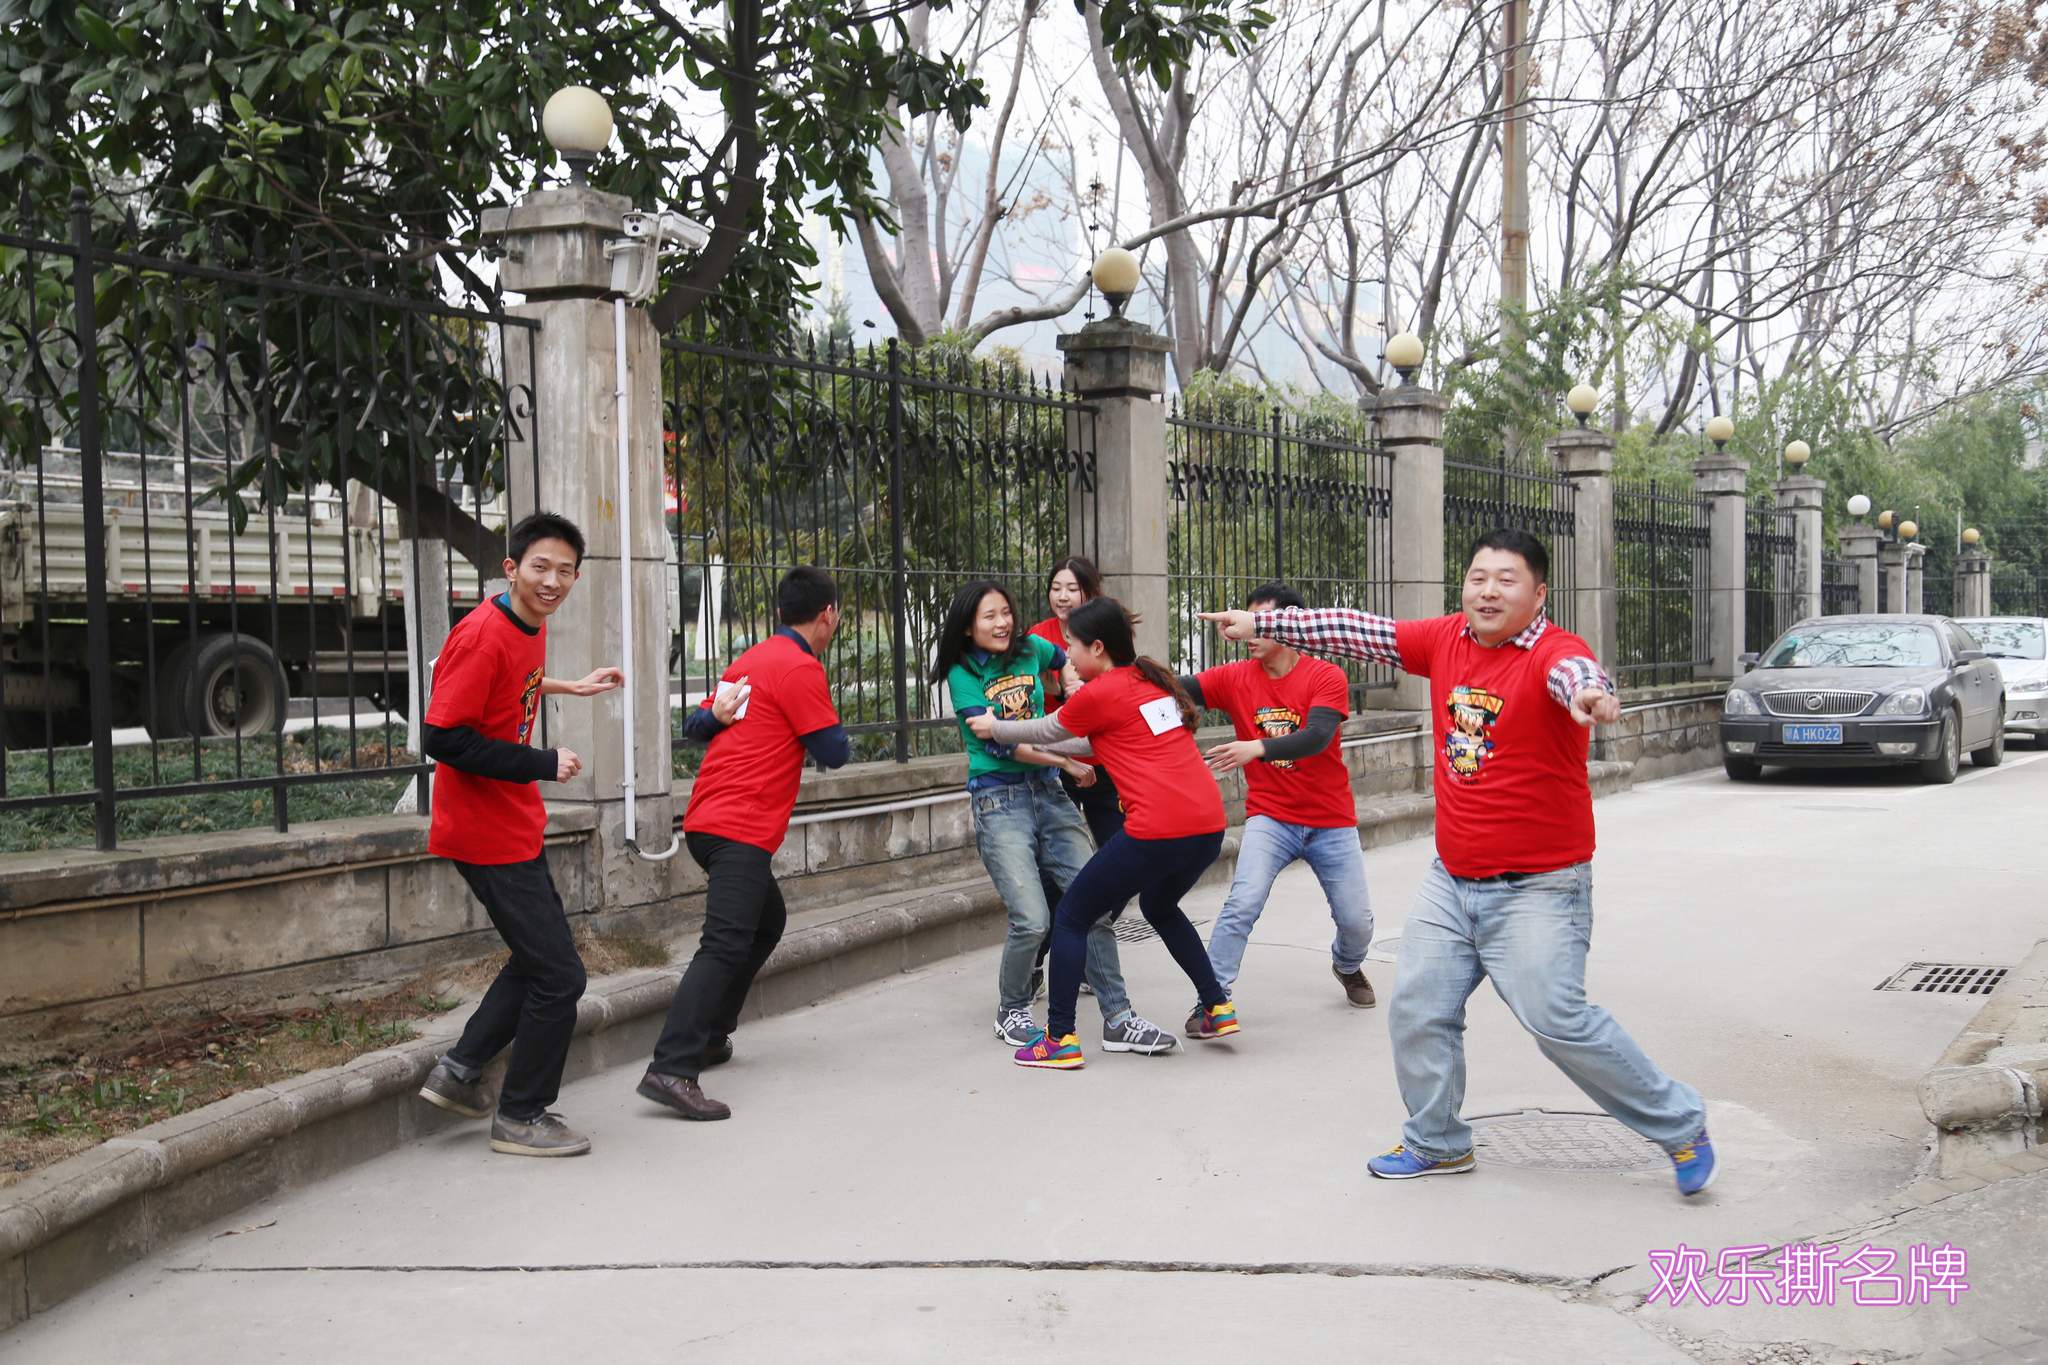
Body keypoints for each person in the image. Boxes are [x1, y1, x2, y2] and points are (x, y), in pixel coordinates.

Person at [1201, 529, 1715, 1197]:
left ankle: (1681, 1125)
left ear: (1539, 594)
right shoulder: (1446, 638)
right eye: (1478, 577)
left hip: (1539, 887)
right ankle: (1437, 1141)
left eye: (1507, 579)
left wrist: (1591, 695)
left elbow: (1576, 676)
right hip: (1452, 881)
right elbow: (1362, 631)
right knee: (1418, 1008)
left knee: (1556, 1020)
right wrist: (1266, 624)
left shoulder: (1556, 653)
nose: (1488, 591)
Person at [413, 512, 629, 1159]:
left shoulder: (526, 621)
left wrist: (570, 685)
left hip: (512, 824)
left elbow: (512, 685)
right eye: (540, 567)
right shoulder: (484, 634)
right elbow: (442, 736)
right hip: (485, 832)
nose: (552, 581)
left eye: (565, 570)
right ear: (511, 568)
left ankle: (460, 1071)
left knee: (540, 959)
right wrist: (541, 761)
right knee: (560, 976)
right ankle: (521, 1114)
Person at [970, 598, 1238, 1070]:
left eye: (1072, 645)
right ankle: (1216, 1007)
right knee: (1159, 906)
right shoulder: (1151, 683)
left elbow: (1050, 728)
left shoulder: (1101, 692)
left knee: (1073, 915)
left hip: (1158, 826)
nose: (1067, 656)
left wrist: (997, 727)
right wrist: (1040, 748)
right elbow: (1095, 740)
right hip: (1207, 827)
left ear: (1097, 647)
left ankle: (1059, 1038)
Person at [637, 566, 851, 1121]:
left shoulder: (751, 660)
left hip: (708, 822)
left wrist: (716, 714)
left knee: (765, 922)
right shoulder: (799, 667)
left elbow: (696, 725)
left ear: (781, 611)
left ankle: (710, 1035)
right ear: (828, 614)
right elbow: (833, 751)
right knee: (725, 943)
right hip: (740, 827)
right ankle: (672, 1066)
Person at [936, 580, 1175, 1055]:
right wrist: (1066, 760)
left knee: (1095, 903)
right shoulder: (962, 674)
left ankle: (1119, 1019)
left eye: (1006, 612)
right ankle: (1012, 1007)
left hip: (1047, 793)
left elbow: (1063, 658)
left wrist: (1070, 683)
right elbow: (999, 744)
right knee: (1032, 918)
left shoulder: (1031, 648)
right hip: (999, 799)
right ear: (967, 627)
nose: (1003, 623)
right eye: (989, 616)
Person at [1180, 582, 1376, 1023]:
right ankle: (1213, 998)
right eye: (1247, 620)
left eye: (1260, 622)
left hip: (1330, 820)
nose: (1250, 631)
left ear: (1289, 626)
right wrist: (1115, 679)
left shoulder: (1326, 676)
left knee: (1357, 922)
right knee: (1242, 903)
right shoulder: (1234, 678)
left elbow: (1317, 736)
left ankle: (1347, 966)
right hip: (1271, 817)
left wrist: (1256, 748)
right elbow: (1175, 689)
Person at [1027, 556, 1124, 847]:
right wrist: (1058, 689)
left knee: (1116, 846)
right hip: (1055, 762)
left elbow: (1121, 687)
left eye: (1071, 589)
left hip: (1104, 760)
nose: (1062, 596)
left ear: (1089, 592)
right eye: (1056, 588)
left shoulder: (1107, 633)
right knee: (1060, 849)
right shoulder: (1037, 636)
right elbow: (1027, 690)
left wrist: (1089, 691)